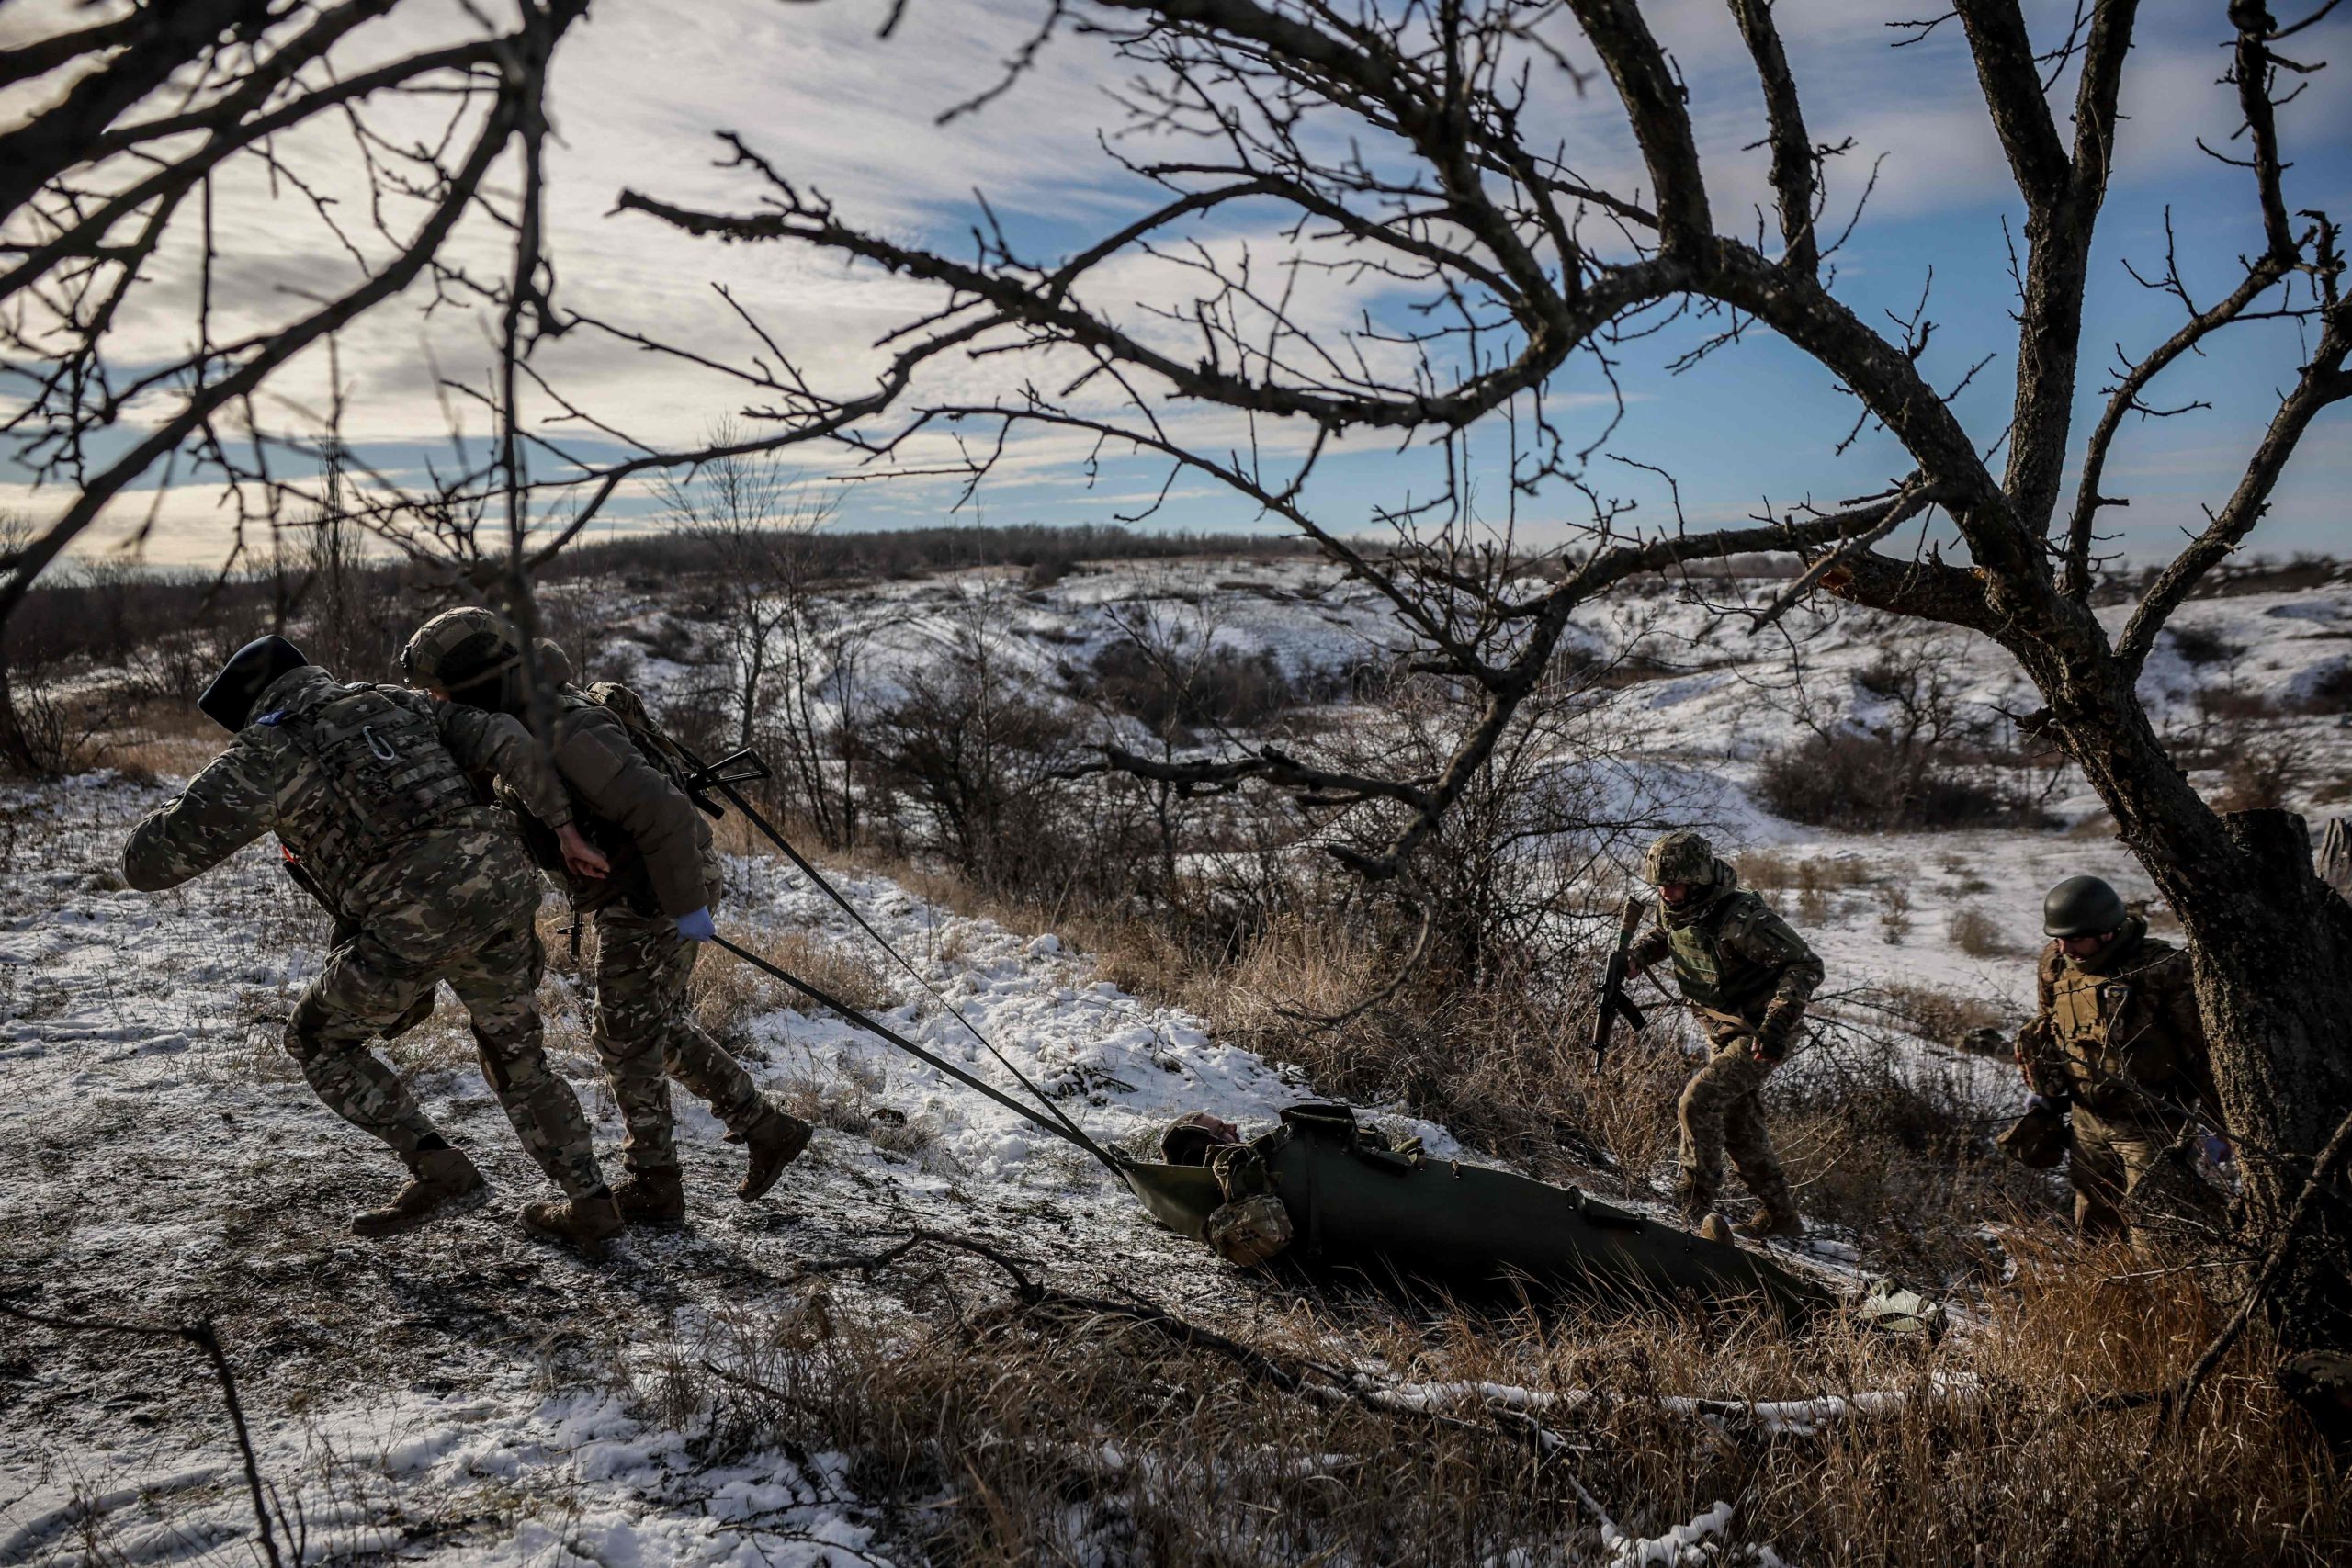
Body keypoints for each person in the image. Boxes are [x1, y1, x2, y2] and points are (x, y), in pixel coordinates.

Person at [123, 635, 626, 1249]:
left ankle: (440, 1169)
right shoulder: (396, 701)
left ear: (251, 708)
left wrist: (202, 790)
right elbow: (507, 739)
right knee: (518, 1055)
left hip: (409, 917)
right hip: (499, 890)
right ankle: (591, 1201)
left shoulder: (263, 754)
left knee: (319, 1040)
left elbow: (144, 864)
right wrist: (562, 826)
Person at [399, 609, 812, 1228]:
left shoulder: (567, 730)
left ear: (470, 677)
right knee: (650, 1026)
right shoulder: (519, 721)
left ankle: (654, 1184)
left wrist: (686, 908)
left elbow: (666, 815)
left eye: (438, 688)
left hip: (656, 891)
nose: (435, 701)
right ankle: (766, 1127)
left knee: (624, 1035)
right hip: (642, 887)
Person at [1623, 829, 1823, 1240]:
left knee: (1699, 1102)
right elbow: (1665, 934)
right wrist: (1637, 958)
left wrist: (1777, 1024)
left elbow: (1804, 965)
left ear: (1698, 882)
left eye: (1674, 886)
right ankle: (1781, 1215)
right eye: (1661, 886)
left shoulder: (1743, 920)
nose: (1665, 893)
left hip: (1761, 1031)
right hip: (1721, 1027)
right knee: (1738, 1121)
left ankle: (1691, 1207)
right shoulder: (1678, 905)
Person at [2013, 874, 2226, 1247]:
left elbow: (2204, 1048)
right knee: (2095, 1223)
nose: (2064, 947)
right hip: (2087, 1119)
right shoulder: (2056, 962)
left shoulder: (2165, 969)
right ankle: (2108, 1298)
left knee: (2157, 1230)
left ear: (2108, 931)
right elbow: (2050, 1023)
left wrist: (2215, 1121)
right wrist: (2045, 1090)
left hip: (2153, 1124)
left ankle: (2169, 1301)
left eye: (2074, 938)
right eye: (2057, 938)